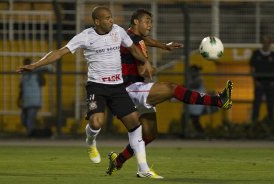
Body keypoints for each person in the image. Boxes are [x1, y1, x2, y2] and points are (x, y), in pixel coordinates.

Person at [17, 6, 162, 179]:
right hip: (97, 86)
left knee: (134, 124)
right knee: (96, 123)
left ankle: (143, 168)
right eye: (107, 18)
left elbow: (133, 49)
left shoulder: (118, 31)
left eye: (111, 17)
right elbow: (59, 52)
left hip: (117, 86)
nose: (111, 20)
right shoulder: (85, 37)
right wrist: (35, 65)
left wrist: (145, 61)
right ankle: (91, 141)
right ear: (97, 21)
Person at [106, 9, 233, 177]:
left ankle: (118, 160)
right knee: (172, 88)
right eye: (147, 21)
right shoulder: (132, 42)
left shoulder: (130, 36)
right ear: (136, 21)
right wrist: (151, 67)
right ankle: (219, 101)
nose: (150, 25)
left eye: (151, 21)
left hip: (133, 88)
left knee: (150, 134)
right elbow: (145, 71)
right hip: (128, 89)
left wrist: (164, 46)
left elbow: (145, 40)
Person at [17, 58, 46, 137]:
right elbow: (21, 88)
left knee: (30, 119)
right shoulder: (23, 76)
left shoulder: (37, 73)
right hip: (26, 100)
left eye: (27, 64)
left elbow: (43, 82)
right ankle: (32, 132)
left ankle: (30, 135)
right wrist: (19, 99)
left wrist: (39, 72)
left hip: (35, 100)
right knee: (23, 120)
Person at [250, 35, 274, 123]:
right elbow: (252, 69)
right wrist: (255, 81)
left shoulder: (273, 55)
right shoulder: (256, 54)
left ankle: (270, 123)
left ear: (270, 44)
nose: (266, 44)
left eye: (267, 42)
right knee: (257, 104)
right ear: (262, 43)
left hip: (270, 84)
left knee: (270, 105)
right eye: (264, 42)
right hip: (259, 83)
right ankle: (254, 123)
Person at [187, 65, 205, 135]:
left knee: (195, 120)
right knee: (188, 119)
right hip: (192, 104)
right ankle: (199, 133)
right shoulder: (191, 79)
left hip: (197, 105)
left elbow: (192, 86)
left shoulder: (199, 79)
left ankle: (202, 133)